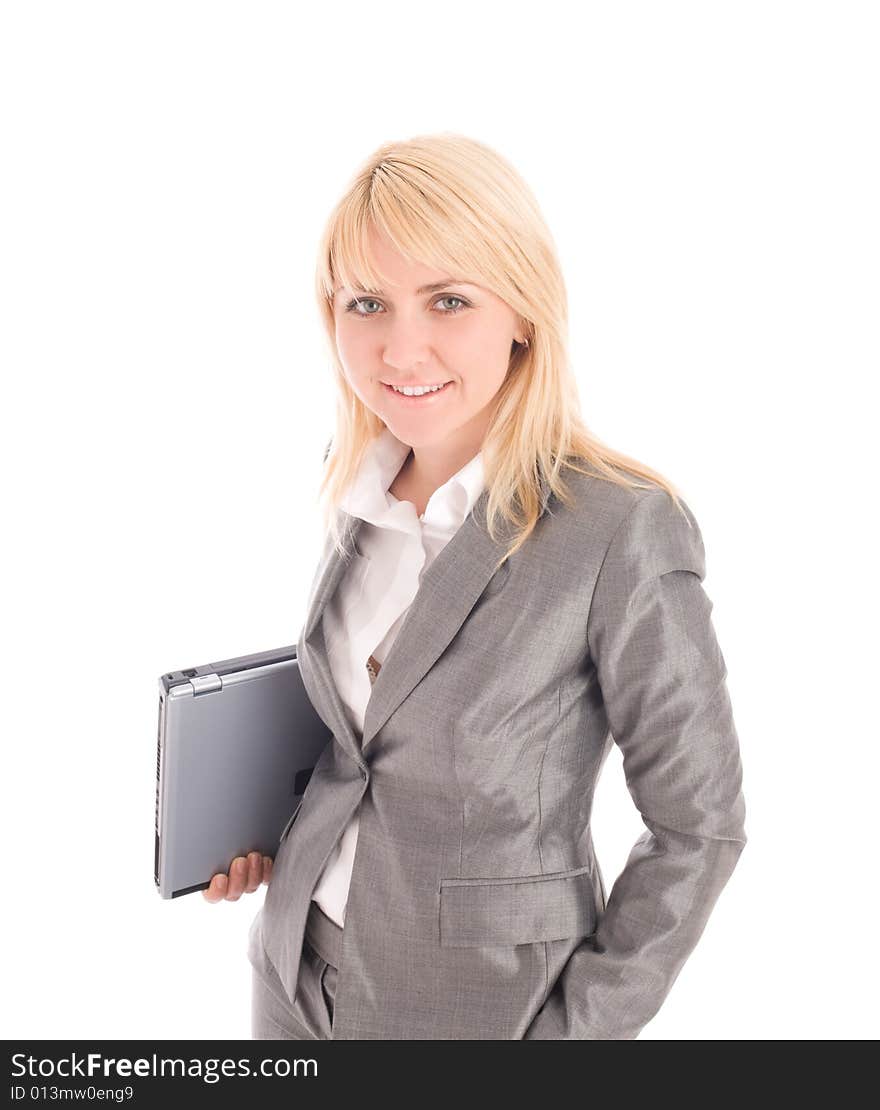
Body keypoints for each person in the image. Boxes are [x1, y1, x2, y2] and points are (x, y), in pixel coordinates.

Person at [205, 131, 748, 1040]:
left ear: (523, 312)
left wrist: (570, 1039)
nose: (400, 348)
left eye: (448, 300)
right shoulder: (357, 481)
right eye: (367, 303)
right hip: (292, 976)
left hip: (482, 1008)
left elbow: (701, 829)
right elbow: (369, 736)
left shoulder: (621, 527)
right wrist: (262, 828)